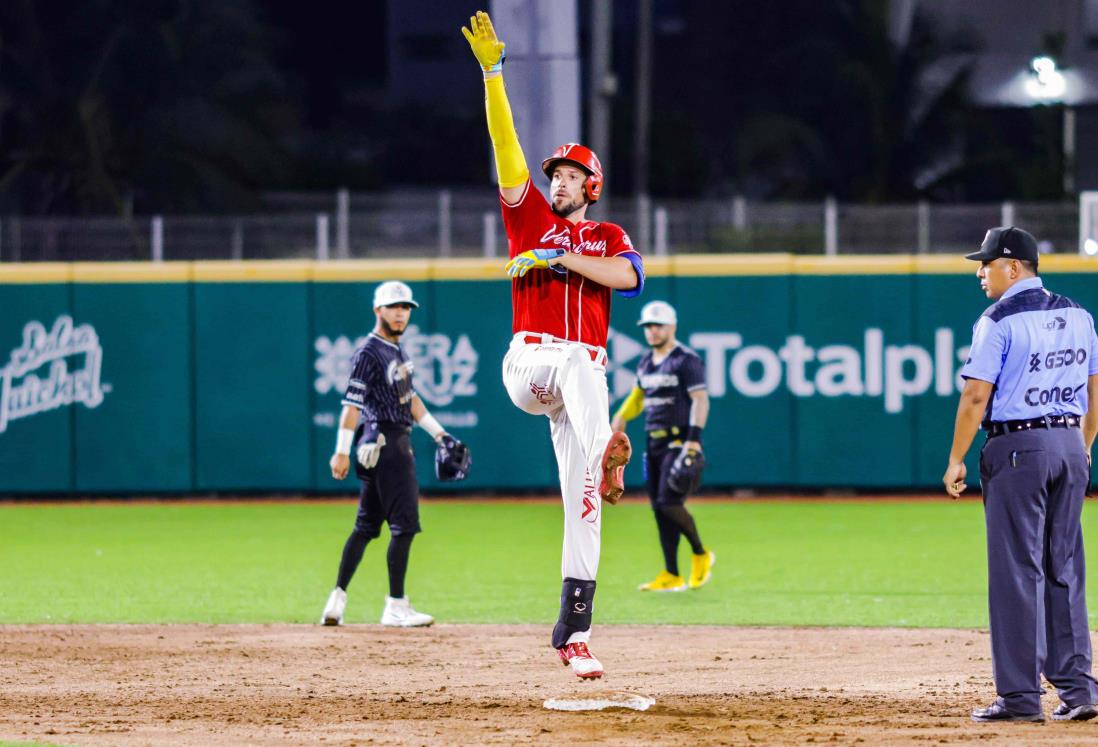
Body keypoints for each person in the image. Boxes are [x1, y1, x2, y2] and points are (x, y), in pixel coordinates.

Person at [462, 11, 644, 680]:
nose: (557, 180)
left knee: (585, 503)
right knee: (574, 361)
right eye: (556, 173)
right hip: (532, 364)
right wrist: (493, 74)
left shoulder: (605, 237)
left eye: (570, 174)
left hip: (583, 384)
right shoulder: (529, 217)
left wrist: (563, 260)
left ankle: (575, 631)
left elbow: (627, 277)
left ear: (591, 187)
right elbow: (506, 145)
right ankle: (610, 453)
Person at [942, 226, 1098, 723]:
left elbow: (974, 396)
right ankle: (1080, 691)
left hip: (1017, 450)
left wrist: (956, 458)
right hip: (1069, 445)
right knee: (1065, 567)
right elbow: (1095, 389)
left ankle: (1019, 697)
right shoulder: (1079, 313)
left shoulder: (998, 318)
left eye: (986, 264)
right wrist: (1083, 446)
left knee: (1016, 573)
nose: (979, 272)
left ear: (1014, 267)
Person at [320, 280, 465, 628]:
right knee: (405, 526)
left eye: (405, 308)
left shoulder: (397, 350)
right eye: (394, 307)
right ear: (378, 310)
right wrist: (340, 451)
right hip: (388, 443)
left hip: (385, 440)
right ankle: (396, 604)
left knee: (367, 525)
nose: (401, 313)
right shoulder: (369, 352)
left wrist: (439, 433)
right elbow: (351, 405)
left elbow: (410, 400)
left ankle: (336, 600)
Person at [611, 300, 714, 592]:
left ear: (673, 326)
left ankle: (700, 553)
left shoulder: (686, 359)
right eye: (648, 326)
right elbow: (639, 396)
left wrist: (694, 440)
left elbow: (700, 400)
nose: (653, 331)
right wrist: (620, 416)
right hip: (653, 440)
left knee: (670, 502)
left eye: (658, 325)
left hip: (679, 439)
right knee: (659, 507)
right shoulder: (646, 361)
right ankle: (671, 573)